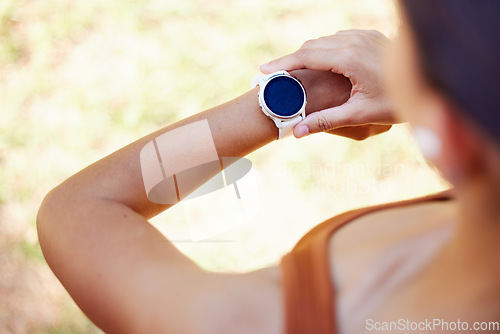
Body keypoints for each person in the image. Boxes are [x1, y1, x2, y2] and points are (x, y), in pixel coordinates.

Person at [37, 0, 500, 333]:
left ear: (451, 137)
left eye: (406, 42)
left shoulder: (244, 321)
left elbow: (81, 206)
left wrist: (285, 101)